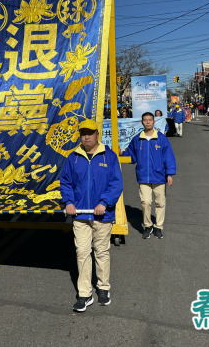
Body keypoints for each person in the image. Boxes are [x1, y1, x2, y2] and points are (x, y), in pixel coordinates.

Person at [60, 119, 123, 312]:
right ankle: (85, 294)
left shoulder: (109, 156)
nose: (86, 136)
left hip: (102, 216)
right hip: (80, 216)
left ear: (97, 134)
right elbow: (66, 182)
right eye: (83, 133)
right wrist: (69, 202)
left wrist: (104, 203)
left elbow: (116, 184)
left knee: (102, 252)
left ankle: (103, 288)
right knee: (82, 253)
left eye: (90, 133)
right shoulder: (74, 158)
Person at [121, 112, 176, 240]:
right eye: (145, 120)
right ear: (142, 122)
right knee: (145, 202)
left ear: (154, 122)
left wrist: (170, 174)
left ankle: (158, 227)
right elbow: (131, 156)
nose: (147, 122)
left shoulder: (161, 138)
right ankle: (147, 226)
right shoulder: (137, 139)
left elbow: (169, 157)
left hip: (159, 176)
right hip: (143, 176)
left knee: (160, 203)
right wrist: (121, 153)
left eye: (150, 120)